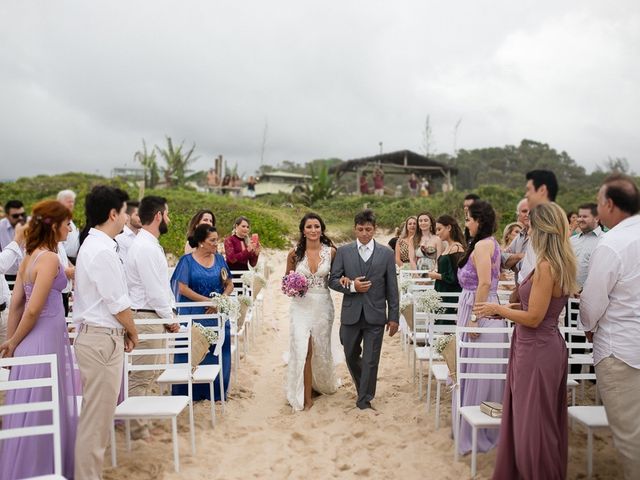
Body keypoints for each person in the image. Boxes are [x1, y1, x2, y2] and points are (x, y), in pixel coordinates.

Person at [475, 202, 578, 479]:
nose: (528, 232)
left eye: (531, 227)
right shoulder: (556, 262)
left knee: (534, 422)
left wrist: (498, 309)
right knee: (530, 417)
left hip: (537, 350)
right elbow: (536, 311)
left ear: (542, 228)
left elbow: (534, 318)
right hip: (536, 345)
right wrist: (502, 313)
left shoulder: (547, 266)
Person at [0, 200, 79, 479]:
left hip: (31, 341)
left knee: (30, 406)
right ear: (55, 225)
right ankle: (40, 467)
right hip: (44, 340)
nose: (70, 227)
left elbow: (16, 305)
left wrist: (13, 342)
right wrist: (12, 342)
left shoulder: (29, 256)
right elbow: (32, 308)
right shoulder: (48, 258)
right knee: (44, 405)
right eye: (67, 222)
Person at [73, 186, 138, 480]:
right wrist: (132, 331)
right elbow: (118, 303)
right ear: (113, 214)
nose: (127, 217)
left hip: (99, 337)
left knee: (98, 420)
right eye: (125, 211)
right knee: (96, 422)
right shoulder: (101, 250)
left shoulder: (96, 245)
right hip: (101, 339)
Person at [580, 174, 640, 479]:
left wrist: (587, 326)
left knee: (631, 440)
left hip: (621, 352)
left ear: (610, 205)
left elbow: (592, 302)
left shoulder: (613, 242)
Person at [329, 209, 399, 410]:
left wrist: (393, 317)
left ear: (374, 229)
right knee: (350, 354)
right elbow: (333, 280)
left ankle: (364, 399)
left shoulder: (387, 254)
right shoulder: (343, 252)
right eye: (360, 229)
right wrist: (351, 286)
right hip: (351, 314)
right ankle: (364, 386)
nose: (364, 233)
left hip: (376, 315)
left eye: (368, 229)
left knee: (371, 359)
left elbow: (392, 288)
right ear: (355, 229)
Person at [453, 200, 506, 455]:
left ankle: (480, 430)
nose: (466, 223)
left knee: (480, 370)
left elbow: (484, 283)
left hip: (480, 309)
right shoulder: (482, 243)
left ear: (479, 221)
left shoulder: (485, 244)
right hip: (474, 306)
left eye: (468, 219)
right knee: (472, 367)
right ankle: (470, 423)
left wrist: (475, 317)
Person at [124, 196, 179, 440]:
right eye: (166, 214)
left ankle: (141, 425)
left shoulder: (147, 243)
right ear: (158, 216)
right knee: (141, 376)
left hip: (151, 316)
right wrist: (170, 317)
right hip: (146, 318)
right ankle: (136, 431)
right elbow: (154, 290)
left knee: (149, 375)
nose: (169, 219)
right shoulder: (145, 247)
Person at [171, 224, 234, 401]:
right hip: (193, 313)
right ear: (200, 242)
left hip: (217, 315)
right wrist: (207, 301)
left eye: (217, 240)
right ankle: (187, 394)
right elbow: (182, 288)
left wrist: (220, 299)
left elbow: (229, 283)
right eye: (212, 240)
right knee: (191, 351)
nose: (216, 243)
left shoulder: (220, 259)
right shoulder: (187, 261)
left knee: (218, 352)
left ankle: (215, 394)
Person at [286, 213, 339, 411]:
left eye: (317, 226)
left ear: (322, 229)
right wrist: (293, 285)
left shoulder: (332, 253)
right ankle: (306, 397)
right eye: (309, 227)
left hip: (323, 306)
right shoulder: (294, 254)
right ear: (303, 230)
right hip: (300, 306)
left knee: (320, 349)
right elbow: (286, 282)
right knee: (303, 349)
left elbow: (337, 279)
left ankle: (318, 384)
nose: (313, 230)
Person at [518, 170, 558, 283]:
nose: (526, 195)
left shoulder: (550, 219)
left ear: (542, 190)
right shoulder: (541, 215)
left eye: (529, 189)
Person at [426, 215, 466, 314]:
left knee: (448, 326)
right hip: (442, 292)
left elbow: (456, 277)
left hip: (450, 295)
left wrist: (436, 276)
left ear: (448, 227)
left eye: (439, 229)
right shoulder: (448, 247)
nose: (437, 233)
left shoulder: (456, 248)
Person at [0, 223, 26, 344]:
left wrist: (9, 308)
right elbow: (1, 265)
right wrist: (17, 238)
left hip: (3, 311)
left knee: (6, 358)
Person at [570, 202, 604, 289]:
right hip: (568, 297)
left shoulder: (605, 240)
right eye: (579, 216)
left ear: (596, 218)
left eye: (585, 217)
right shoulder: (571, 241)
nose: (580, 219)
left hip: (593, 297)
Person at [501, 198, 530, 284]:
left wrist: (513, 263)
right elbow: (503, 260)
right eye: (524, 211)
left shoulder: (542, 236)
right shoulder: (520, 236)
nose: (528, 214)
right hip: (519, 290)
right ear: (518, 215)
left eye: (531, 211)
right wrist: (521, 256)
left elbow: (530, 267)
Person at [0, 199, 26, 284]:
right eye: (15, 216)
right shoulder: (1, 227)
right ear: (7, 215)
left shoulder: (30, 223)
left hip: (27, 274)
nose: (20, 218)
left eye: (22, 214)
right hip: (8, 275)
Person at [57, 190, 80, 264]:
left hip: (74, 260)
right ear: (60, 202)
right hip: (66, 260)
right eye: (69, 202)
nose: (71, 204)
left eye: (73, 202)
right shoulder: (58, 220)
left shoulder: (69, 219)